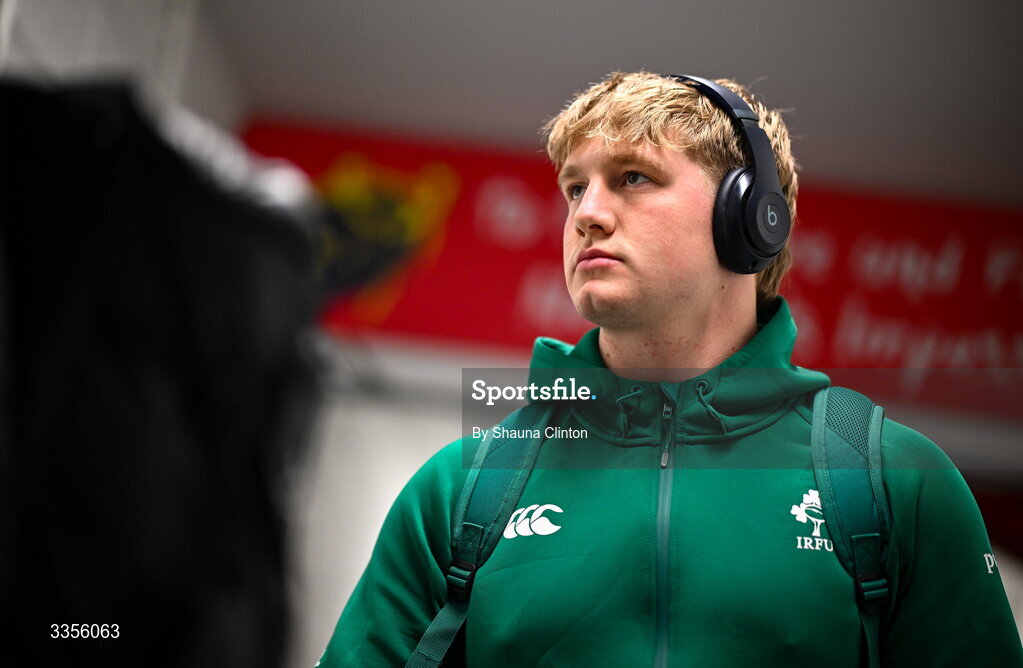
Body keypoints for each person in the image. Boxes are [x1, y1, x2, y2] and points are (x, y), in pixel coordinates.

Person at [318, 72, 1022, 666]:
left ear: (749, 218)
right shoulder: (461, 485)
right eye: (573, 188)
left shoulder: (896, 482)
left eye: (631, 177)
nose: (587, 214)